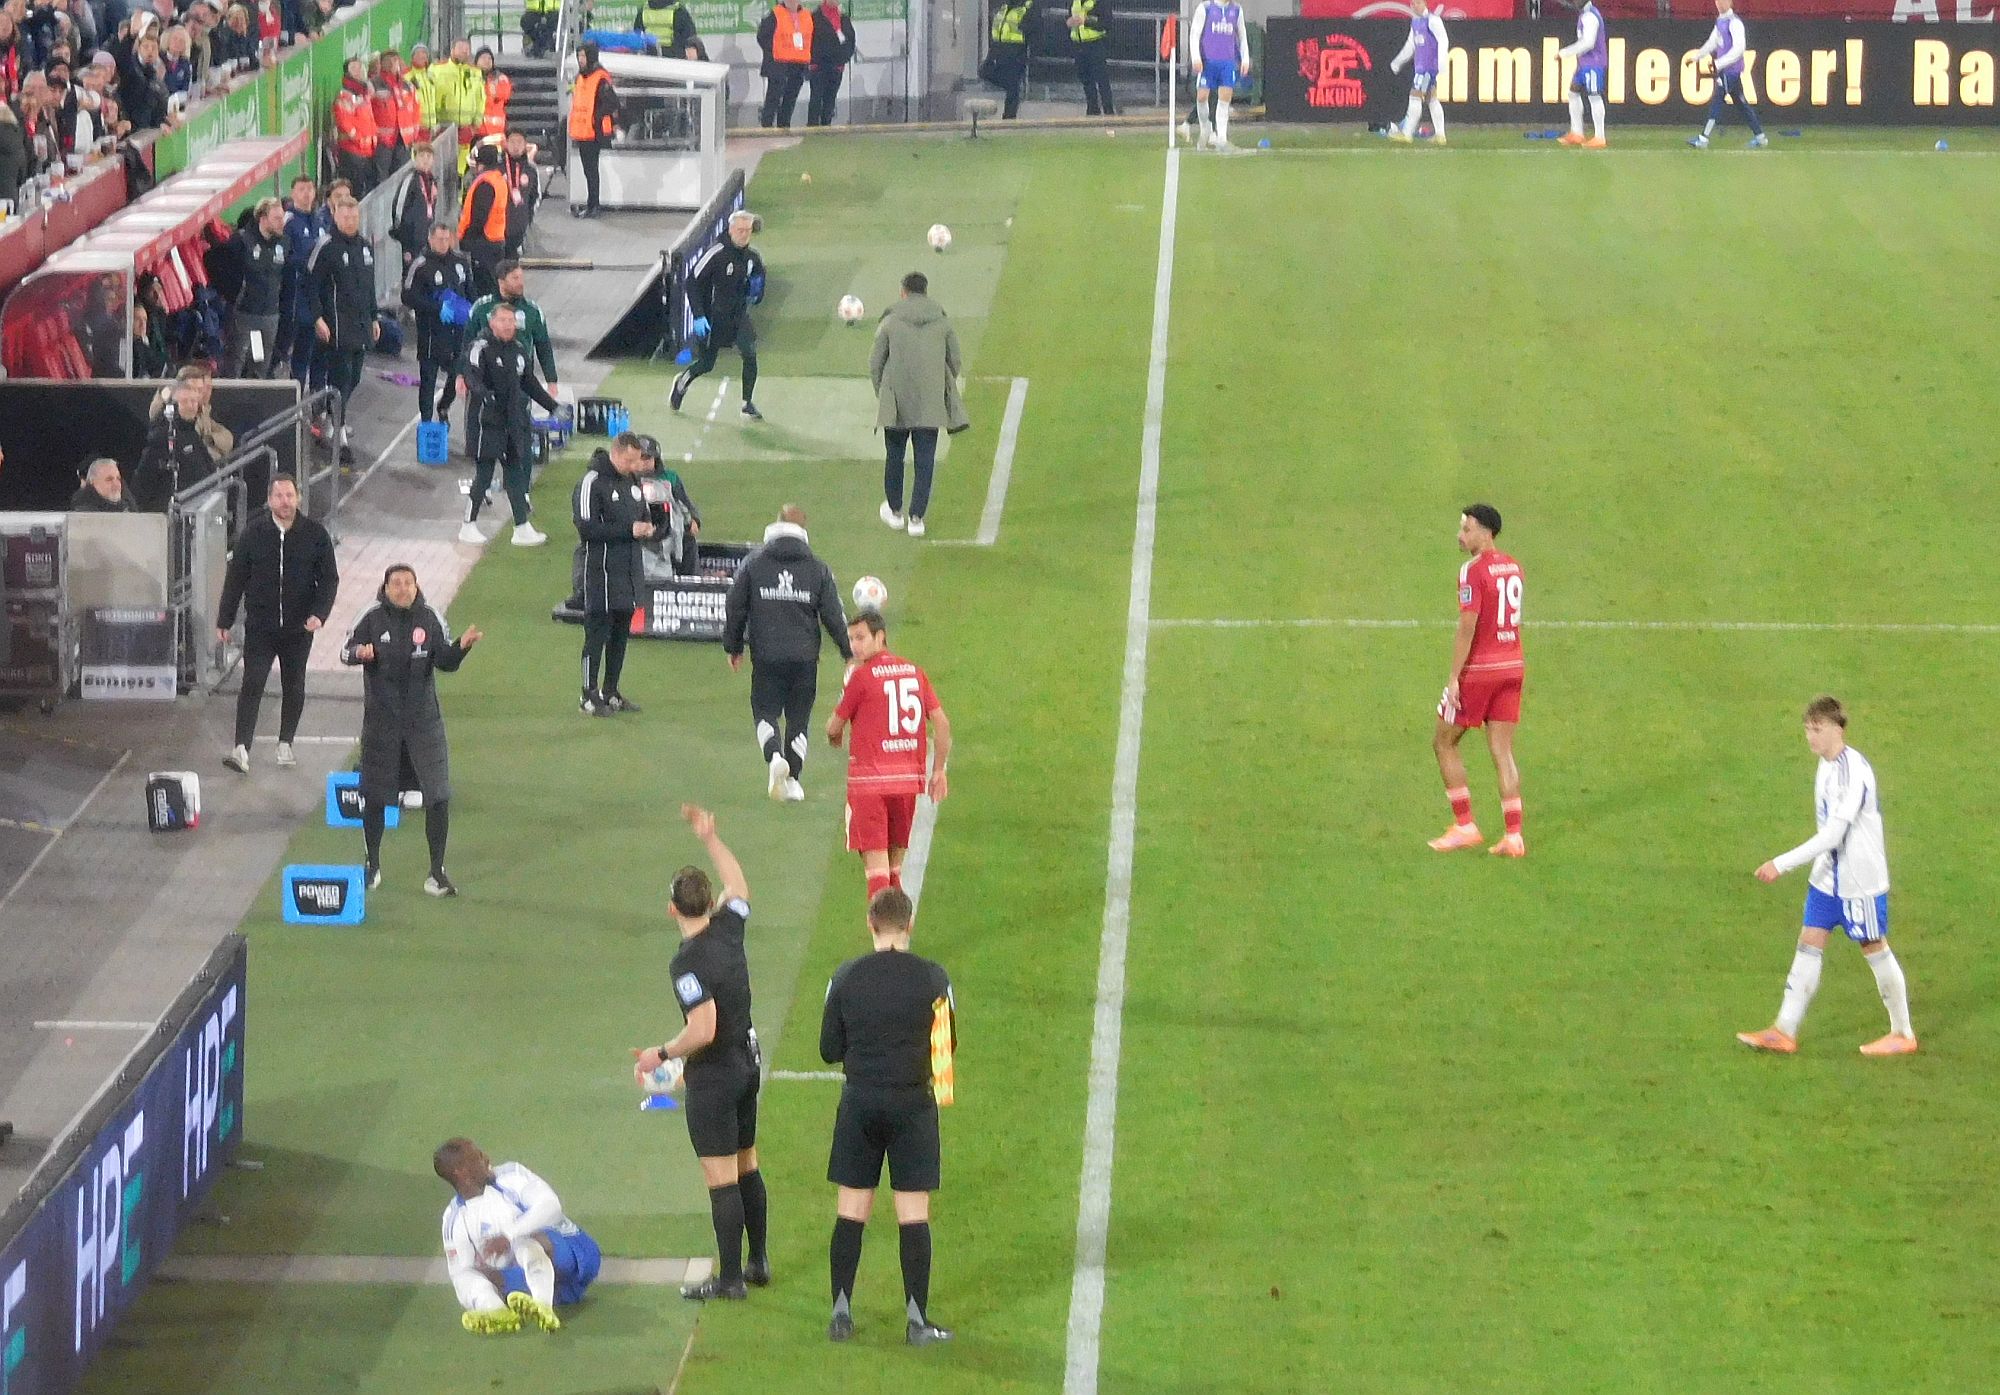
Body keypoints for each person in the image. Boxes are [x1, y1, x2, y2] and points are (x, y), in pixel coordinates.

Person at [631, 805, 770, 1303]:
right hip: (749, 1063)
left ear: (673, 909)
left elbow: (703, 1027)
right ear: (711, 902)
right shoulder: (728, 927)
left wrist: (660, 1054)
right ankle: (758, 1261)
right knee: (747, 1162)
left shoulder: (685, 962)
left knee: (720, 1179)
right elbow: (741, 886)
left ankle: (730, 1279)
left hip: (713, 1076)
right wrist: (711, 839)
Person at [1738, 698, 1916, 1057]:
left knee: (1873, 946)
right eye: (1807, 729)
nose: (1810, 737)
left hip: (1859, 882)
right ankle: (1783, 1030)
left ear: (1838, 728)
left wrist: (1781, 863)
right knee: (1809, 939)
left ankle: (1902, 1032)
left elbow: (1833, 835)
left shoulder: (1855, 773)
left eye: (1817, 729)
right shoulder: (1825, 766)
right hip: (1827, 877)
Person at [820, 886, 956, 1346]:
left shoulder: (845, 976)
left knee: (851, 1211)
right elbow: (947, 1046)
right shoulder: (934, 978)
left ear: (870, 923)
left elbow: (828, 1050)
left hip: (860, 1103)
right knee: (913, 1215)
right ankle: (917, 1321)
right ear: (910, 924)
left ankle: (841, 1314)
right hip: (913, 1105)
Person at [339, 563, 481, 896]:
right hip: (381, 724)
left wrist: (463, 646)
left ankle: (437, 873)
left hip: (423, 724)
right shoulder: (371, 617)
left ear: (417, 587)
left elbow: (444, 660)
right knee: (374, 797)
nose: (403, 589)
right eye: (396, 584)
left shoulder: (430, 617)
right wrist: (361, 652)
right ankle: (372, 865)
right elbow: (344, 651)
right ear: (385, 588)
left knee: (439, 795)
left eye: (409, 583)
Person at [724, 504, 851, 801]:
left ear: (776, 524)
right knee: (799, 719)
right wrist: (848, 652)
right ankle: (793, 780)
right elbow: (833, 615)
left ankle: (774, 757)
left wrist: (733, 646)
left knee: (765, 712)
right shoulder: (817, 568)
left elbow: (735, 605)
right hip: (805, 658)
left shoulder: (754, 564)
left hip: (767, 656)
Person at [215, 473, 338, 775]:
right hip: (260, 627)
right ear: (269, 500)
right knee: (252, 682)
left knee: (293, 684)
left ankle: (286, 743)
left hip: (299, 629)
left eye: (289, 495)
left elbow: (329, 580)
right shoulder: (253, 534)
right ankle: (241, 748)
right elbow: (236, 579)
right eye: (279, 496)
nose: (285, 501)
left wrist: (319, 614)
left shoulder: (315, 535)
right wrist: (225, 619)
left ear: (298, 498)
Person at [826, 609, 951, 904]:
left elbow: (833, 726)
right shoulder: (914, 672)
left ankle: (883, 944)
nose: (855, 646)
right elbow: (942, 724)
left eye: (860, 638)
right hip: (907, 782)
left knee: (876, 872)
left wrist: (835, 736)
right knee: (895, 869)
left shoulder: (861, 677)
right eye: (851, 639)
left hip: (870, 784)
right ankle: (900, 937)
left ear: (880, 637)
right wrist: (939, 771)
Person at [1429, 504, 1524, 857]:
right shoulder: (1513, 566)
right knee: (1502, 750)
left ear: (1486, 532)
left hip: (1480, 670)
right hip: (1513, 664)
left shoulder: (1473, 571)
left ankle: (1465, 825)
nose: (1460, 535)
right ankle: (1514, 836)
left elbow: (1468, 627)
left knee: (1443, 741)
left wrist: (1455, 678)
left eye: (1466, 529)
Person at [436, 1138, 602, 1336]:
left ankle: (542, 1306)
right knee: (473, 1273)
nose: (487, 1158)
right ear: (461, 1171)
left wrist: (508, 1235)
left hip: (574, 1255)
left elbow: (551, 1206)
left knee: (525, 1242)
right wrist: (485, 1299)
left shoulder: (510, 1175)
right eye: (478, 1157)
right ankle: (498, 1313)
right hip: (538, 1283)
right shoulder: (455, 1218)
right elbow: (460, 1274)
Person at [870, 272, 967, 539]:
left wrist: (884, 392)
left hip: (897, 402)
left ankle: (895, 512)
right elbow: (955, 362)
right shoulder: (942, 322)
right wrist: (937, 385)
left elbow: (875, 363)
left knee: (895, 456)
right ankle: (916, 519)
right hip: (930, 403)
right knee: (925, 461)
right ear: (925, 292)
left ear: (903, 292)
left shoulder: (889, 322)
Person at [460, 302, 558, 547]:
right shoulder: (479, 347)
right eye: (502, 320)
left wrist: (553, 406)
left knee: (514, 474)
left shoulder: (519, 349)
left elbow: (530, 383)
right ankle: (468, 525)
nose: (507, 325)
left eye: (511, 321)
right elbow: (471, 375)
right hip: (486, 421)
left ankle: (521, 527)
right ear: (491, 322)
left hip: (511, 421)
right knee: (484, 474)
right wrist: (487, 396)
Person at [569, 431, 652, 714]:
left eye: (636, 461)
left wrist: (649, 527)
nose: (633, 466)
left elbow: (643, 515)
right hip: (601, 572)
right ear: (616, 453)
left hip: (629, 572)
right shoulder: (591, 482)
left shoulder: (633, 481)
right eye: (629, 460)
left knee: (620, 635)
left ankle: (611, 691)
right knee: (596, 635)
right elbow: (586, 528)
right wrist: (628, 530)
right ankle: (588, 695)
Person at [671, 210, 765, 421]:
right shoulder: (716, 253)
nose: (744, 235)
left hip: (738, 316)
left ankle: (746, 403)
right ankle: (682, 382)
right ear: (731, 230)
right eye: (740, 230)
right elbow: (692, 281)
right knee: (707, 364)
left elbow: (758, 278)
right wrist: (698, 315)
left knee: (750, 354)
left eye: (747, 231)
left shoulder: (751, 257)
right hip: (714, 317)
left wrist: (757, 292)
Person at [306, 195, 379, 430]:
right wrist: (318, 318)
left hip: (361, 323)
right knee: (342, 377)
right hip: (337, 325)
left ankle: (332, 413)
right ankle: (338, 430)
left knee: (355, 377)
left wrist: (374, 317)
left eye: (354, 216)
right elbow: (311, 285)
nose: (350, 221)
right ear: (335, 216)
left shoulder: (366, 247)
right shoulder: (326, 247)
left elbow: (370, 287)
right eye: (346, 217)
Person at [401, 221, 474, 426]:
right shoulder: (420, 265)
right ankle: (426, 423)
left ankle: (443, 406)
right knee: (428, 380)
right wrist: (436, 307)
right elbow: (407, 296)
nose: (443, 243)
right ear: (430, 239)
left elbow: (471, 292)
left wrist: (470, 312)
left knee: (457, 374)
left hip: (457, 333)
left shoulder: (461, 262)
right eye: (439, 239)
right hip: (431, 334)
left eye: (446, 239)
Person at [466, 260, 557, 396]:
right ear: (501, 282)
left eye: (521, 277)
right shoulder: (481, 308)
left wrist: (551, 380)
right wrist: (461, 375)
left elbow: (543, 345)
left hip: (521, 382)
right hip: (486, 383)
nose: (521, 282)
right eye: (515, 278)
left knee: (519, 415)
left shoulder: (532, 310)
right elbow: (466, 342)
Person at [1689, 0, 1765, 150]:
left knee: (1717, 101)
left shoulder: (1735, 23)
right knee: (1741, 103)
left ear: (1730, 3)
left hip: (1730, 71)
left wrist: (1719, 63)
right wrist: (1697, 56)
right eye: (1717, 1)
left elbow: (1739, 49)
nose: (1719, 4)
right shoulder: (1721, 21)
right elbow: (1713, 42)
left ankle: (1703, 138)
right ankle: (1760, 137)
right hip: (1728, 71)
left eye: (1723, 1)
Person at [132, 376, 216, 509]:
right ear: (173, 405)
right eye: (185, 402)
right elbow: (144, 480)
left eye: (194, 401)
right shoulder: (162, 436)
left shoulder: (192, 433)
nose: (191, 406)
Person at [225, 196, 286, 377]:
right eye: (277, 218)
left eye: (282, 217)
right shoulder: (242, 240)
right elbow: (218, 264)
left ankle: (253, 403)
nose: (282, 222)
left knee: (260, 364)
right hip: (245, 314)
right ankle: (229, 401)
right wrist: (234, 296)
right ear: (263, 218)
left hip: (270, 315)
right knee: (236, 362)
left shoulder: (284, 243)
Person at [1188, 0, 1248, 150]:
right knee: (1202, 96)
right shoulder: (1205, 8)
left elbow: (1242, 36)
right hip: (1208, 60)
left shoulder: (1237, 10)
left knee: (1225, 98)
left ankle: (1221, 137)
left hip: (1227, 62)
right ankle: (1205, 129)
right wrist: (1196, 57)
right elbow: (1195, 34)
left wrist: (1244, 59)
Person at [566, 42, 616, 217]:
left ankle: (594, 205)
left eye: (583, 56)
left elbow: (612, 102)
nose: (580, 60)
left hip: (593, 132)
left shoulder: (600, 77)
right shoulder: (581, 77)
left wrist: (597, 116)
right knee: (588, 170)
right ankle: (591, 204)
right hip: (582, 131)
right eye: (579, 56)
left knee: (591, 170)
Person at [1387, 0, 1448, 144]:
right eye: (1413, 3)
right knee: (1431, 99)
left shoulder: (1433, 21)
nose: (1415, 6)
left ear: (1425, 4)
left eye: (1418, 3)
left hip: (1427, 69)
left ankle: (1407, 133)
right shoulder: (1415, 22)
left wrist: (1441, 63)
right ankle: (1440, 135)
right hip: (1421, 68)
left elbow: (1443, 41)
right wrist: (1398, 62)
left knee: (1415, 96)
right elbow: (1411, 45)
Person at [281, 174, 320, 387]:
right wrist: (308, 261)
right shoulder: (290, 221)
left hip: (314, 297)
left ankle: (307, 403)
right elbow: (286, 256)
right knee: (286, 348)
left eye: (310, 189)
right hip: (294, 296)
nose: (307, 194)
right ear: (293, 193)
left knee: (309, 353)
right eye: (302, 189)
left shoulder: (318, 220)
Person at [456, 139, 509, 296]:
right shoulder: (498, 180)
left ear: (481, 164)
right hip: (496, 239)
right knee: (494, 284)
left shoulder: (485, 183)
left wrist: (467, 239)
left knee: (483, 288)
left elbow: (479, 217)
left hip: (482, 243)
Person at [1556, 0, 1607, 148]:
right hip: (1584, 62)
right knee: (1573, 93)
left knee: (1594, 97)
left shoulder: (1590, 16)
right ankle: (1577, 132)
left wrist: (1565, 52)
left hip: (1593, 63)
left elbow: (1588, 43)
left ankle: (1600, 136)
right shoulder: (1585, 14)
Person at [755, 0, 811, 129]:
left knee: (790, 99)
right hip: (778, 65)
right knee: (773, 98)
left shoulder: (806, 15)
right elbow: (762, 36)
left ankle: (784, 126)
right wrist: (774, 51)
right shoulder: (775, 15)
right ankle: (766, 127)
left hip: (798, 64)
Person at [389, 137, 440, 271]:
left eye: (429, 156)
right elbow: (398, 208)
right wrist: (403, 238)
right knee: (410, 277)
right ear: (415, 158)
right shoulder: (410, 180)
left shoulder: (432, 181)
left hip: (426, 238)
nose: (426, 159)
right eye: (422, 155)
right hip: (411, 241)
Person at [981, 0, 1036, 120]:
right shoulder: (1004, 7)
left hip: (1016, 53)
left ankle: (1009, 118)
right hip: (998, 50)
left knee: (1012, 87)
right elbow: (998, 29)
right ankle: (1007, 111)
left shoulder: (1028, 8)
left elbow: (1033, 31)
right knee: (985, 73)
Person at [370, 49, 419, 181]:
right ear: (382, 64)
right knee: (382, 180)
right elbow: (368, 112)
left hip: (404, 140)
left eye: (395, 60)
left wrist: (414, 134)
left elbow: (415, 109)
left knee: (403, 177)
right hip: (383, 142)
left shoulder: (408, 85)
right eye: (389, 61)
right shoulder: (374, 85)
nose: (393, 64)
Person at [331, 56, 376, 194]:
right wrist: (359, 140)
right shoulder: (345, 97)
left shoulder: (364, 94)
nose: (359, 71)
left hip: (368, 151)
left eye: (360, 67)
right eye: (354, 68)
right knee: (355, 191)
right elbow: (345, 122)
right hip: (353, 152)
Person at [805, 0, 853, 127]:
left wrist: (843, 59)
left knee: (830, 99)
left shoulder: (844, 19)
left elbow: (850, 41)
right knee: (816, 98)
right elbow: (810, 41)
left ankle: (826, 126)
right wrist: (813, 60)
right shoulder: (814, 18)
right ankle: (812, 127)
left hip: (836, 66)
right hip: (818, 66)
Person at [1066, 0, 1113, 117]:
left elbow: (1106, 22)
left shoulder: (1100, 2)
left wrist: (1086, 21)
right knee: (1085, 79)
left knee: (1102, 79)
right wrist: (1069, 21)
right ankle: (1092, 109)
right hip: (1078, 44)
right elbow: (1069, 15)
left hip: (1095, 44)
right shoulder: (1075, 1)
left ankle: (1108, 111)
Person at [499, 128, 538, 257]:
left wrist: (528, 217)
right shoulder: (497, 167)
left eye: (519, 142)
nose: (516, 146)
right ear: (505, 144)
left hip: (519, 224)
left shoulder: (531, 169)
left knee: (513, 264)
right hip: (498, 226)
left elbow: (535, 196)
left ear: (525, 145)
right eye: (512, 142)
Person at [635, 0, 704, 59]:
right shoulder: (678, 11)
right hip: (673, 61)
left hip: (649, 61)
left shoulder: (643, 10)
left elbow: (636, 39)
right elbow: (690, 43)